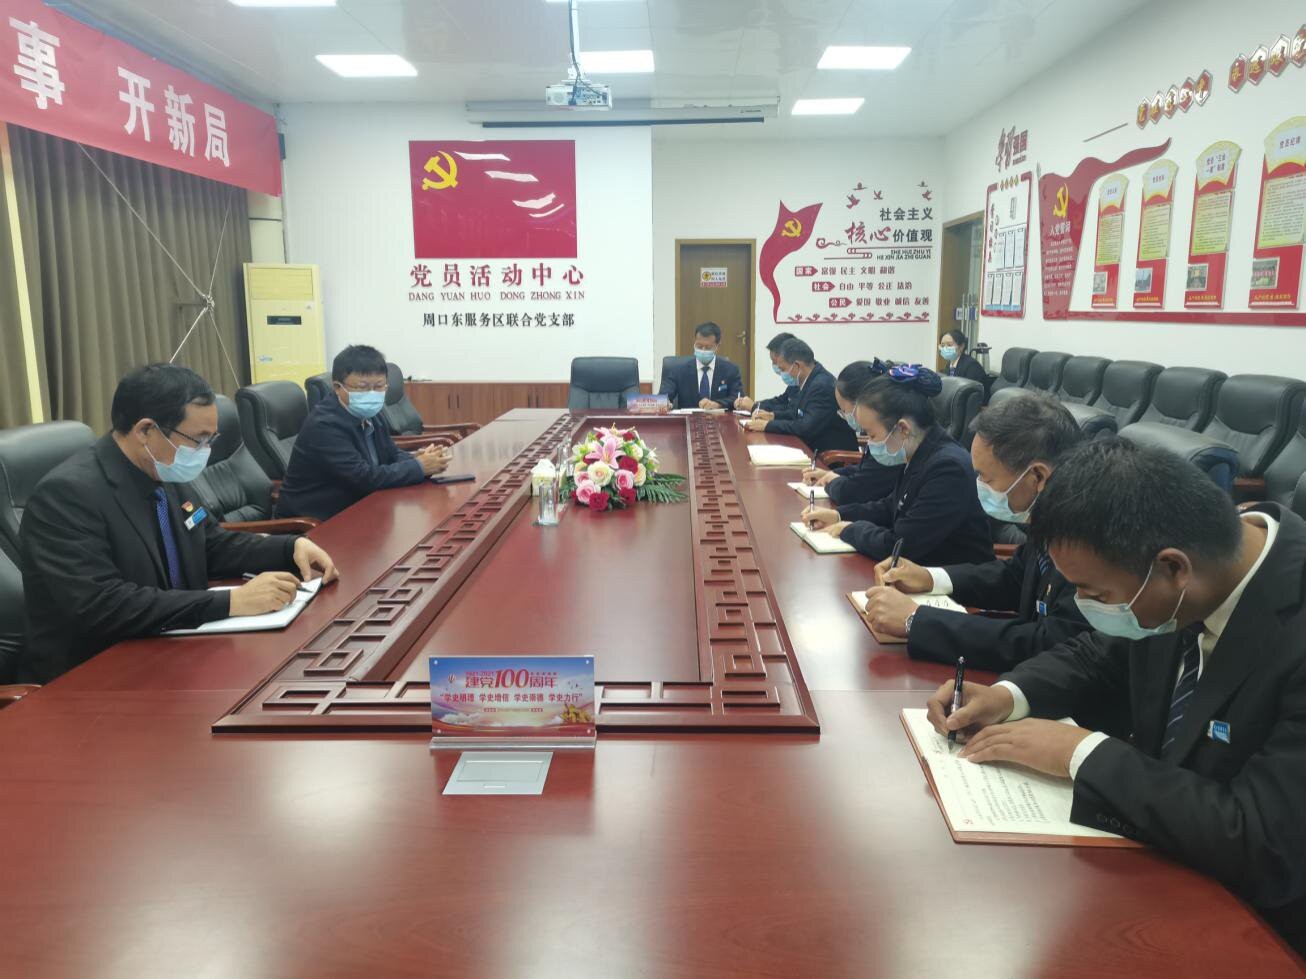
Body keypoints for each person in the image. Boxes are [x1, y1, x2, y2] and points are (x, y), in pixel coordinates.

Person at [926, 438, 1306, 954]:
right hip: (1160, 865)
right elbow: (1099, 654)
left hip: (1258, 931)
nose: (1084, 607)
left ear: (1174, 569)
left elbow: (1265, 844)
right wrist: (1008, 695)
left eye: (1096, 595)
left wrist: (1081, 752)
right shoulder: (1197, 561)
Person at [19, 364, 338, 683]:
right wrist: (232, 602)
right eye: (197, 440)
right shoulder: (66, 495)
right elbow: (104, 605)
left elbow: (210, 544)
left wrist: (289, 547)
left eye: (211, 439)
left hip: (173, 649)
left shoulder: (162, 469)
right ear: (145, 430)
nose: (205, 451)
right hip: (95, 676)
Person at [860, 392, 1091, 671]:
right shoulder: (1052, 514)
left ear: (1038, 476)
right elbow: (1015, 578)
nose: (977, 484)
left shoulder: (1089, 539)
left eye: (985, 477)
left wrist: (916, 620)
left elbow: (1050, 643)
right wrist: (930, 578)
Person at [803, 365, 991, 565]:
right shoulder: (918, 449)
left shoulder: (948, 468)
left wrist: (850, 530)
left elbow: (899, 545)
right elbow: (891, 506)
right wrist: (839, 515)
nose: (869, 443)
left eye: (872, 435)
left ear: (902, 429)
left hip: (949, 577)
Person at [276, 344, 452, 521]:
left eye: (379, 386)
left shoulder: (370, 413)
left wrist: (417, 458)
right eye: (362, 387)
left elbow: (390, 454)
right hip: (316, 522)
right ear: (338, 387)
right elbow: (363, 478)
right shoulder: (324, 426)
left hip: (358, 509)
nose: (372, 394)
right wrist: (419, 467)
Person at [801, 359, 897, 507]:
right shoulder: (881, 432)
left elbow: (854, 491)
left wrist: (832, 482)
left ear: (863, 403)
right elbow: (865, 470)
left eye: (844, 411)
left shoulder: (891, 442)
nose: (845, 416)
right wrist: (833, 474)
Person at [744, 337, 857, 454]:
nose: (781, 373)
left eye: (783, 369)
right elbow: (796, 413)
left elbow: (806, 427)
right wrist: (772, 416)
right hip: (809, 447)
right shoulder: (808, 378)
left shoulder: (821, 386)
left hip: (830, 457)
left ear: (797, 366)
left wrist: (768, 425)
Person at [658, 322, 743, 409]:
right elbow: (662, 397)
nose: (703, 350)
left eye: (708, 347)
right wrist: (665, 403)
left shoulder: (731, 370)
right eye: (699, 346)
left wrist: (718, 404)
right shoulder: (679, 370)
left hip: (718, 416)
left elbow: (738, 398)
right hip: (688, 417)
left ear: (717, 346)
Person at [734, 332, 794, 414]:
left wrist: (754, 407)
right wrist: (756, 404)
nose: (775, 366)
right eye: (772, 362)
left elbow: (789, 412)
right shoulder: (794, 384)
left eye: (775, 362)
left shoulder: (808, 385)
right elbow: (781, 401)